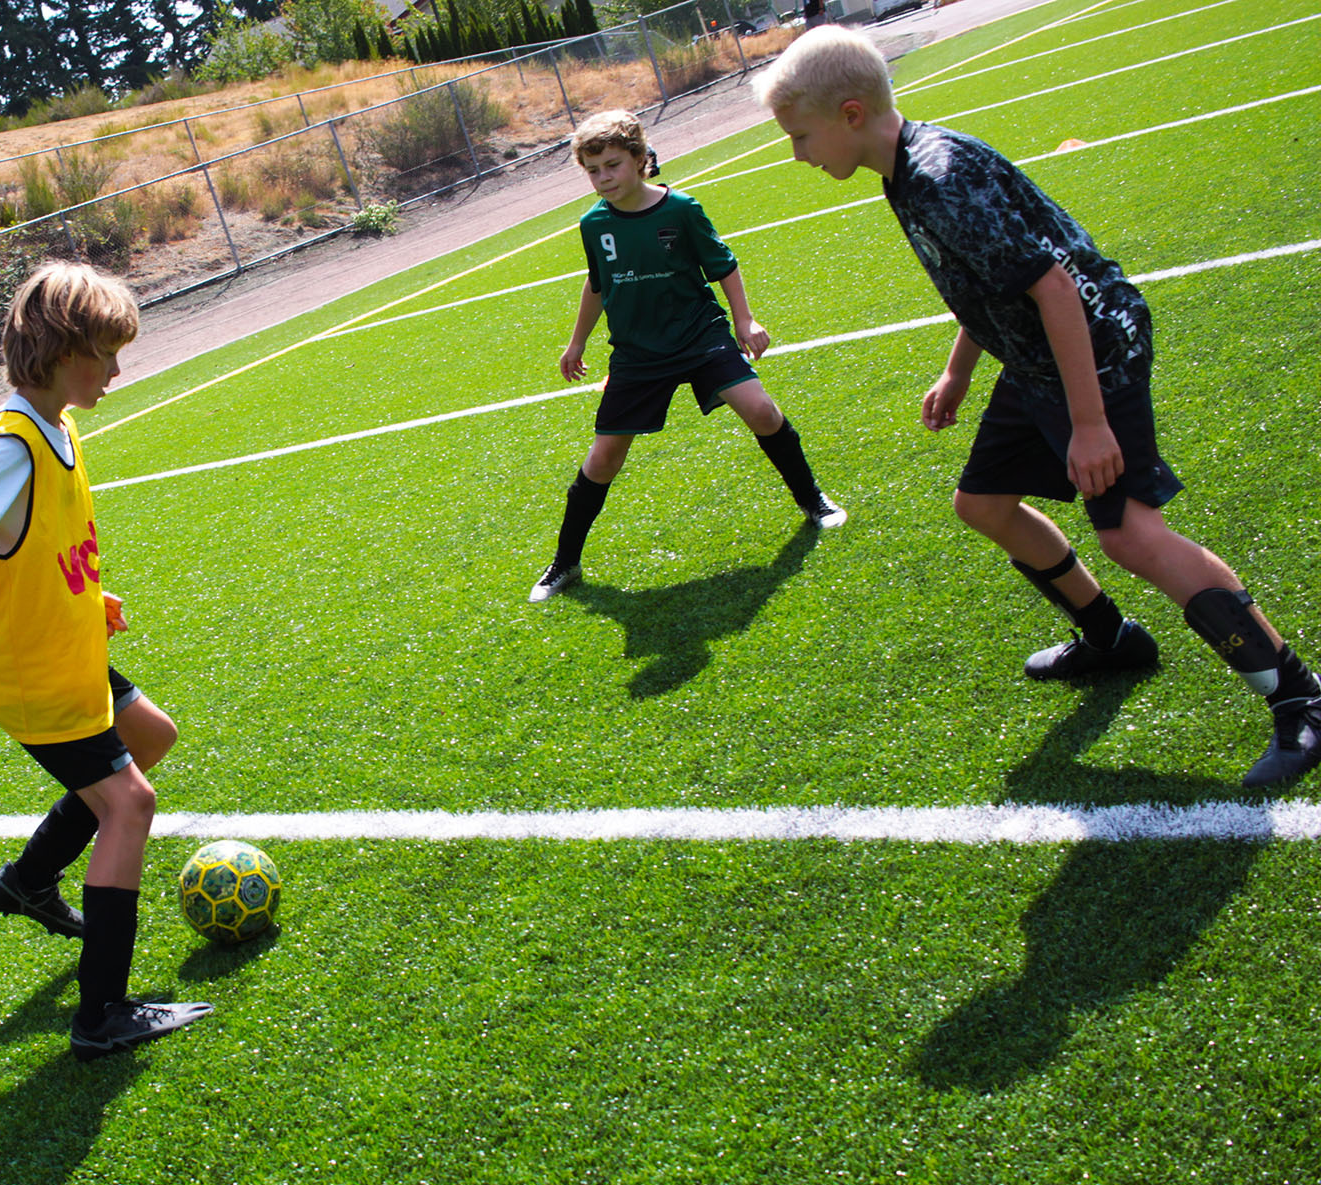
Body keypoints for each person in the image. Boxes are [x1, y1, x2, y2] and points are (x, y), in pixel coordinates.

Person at [756, 27, 1321, 786]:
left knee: (1130, 535)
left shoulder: (938, 178)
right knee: (983, 502)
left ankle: (1299, 698)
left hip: (1093, 347)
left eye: (800, 136)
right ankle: (1111, 637)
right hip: (1036, 359)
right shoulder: (904, 165)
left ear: (850, 114)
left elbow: (1053, 287)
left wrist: (1089, 425)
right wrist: (958, 371)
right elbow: (990, 282)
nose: (798, 153)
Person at [0, 260, 214, 1060]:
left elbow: (34, 550)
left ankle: (27, 882)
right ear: (56, 349)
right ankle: (102, 1012)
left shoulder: (57, 426)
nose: (116, 371)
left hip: (61, 647)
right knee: (129, 806)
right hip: (27, 674)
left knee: (152, 736)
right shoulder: (11, 447)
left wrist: (86, 604)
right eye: (104, 354)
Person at [531, 108, 846, 604]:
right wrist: (577, 343)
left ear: (639, 160)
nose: (603, 178)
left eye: (612, 165)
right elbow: (597, 282)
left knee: (761, 411)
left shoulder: (681, 209)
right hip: (636, 352)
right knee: (604, 458)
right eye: (592, 170)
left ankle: (814, 500)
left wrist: (745, 321)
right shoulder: (593, 224)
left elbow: (724, 265)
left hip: (699, 336)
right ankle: (564, 563)